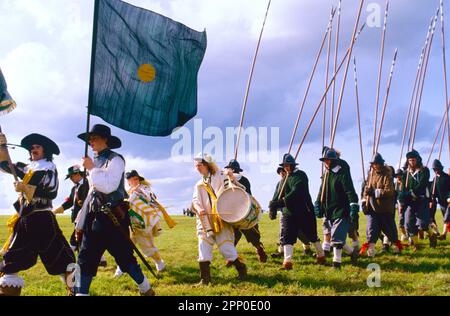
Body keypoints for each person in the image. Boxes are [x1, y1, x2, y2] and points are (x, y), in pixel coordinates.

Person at [74, 124, 154, 296]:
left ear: (105, 139)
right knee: (85, 259)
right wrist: (80, 223)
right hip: (93, 218)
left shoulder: (116, 159)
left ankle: (145, 288)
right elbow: (91, 194)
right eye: (90, 139)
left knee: (125, 258)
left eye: (94, 137)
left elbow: (109, 187)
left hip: (113, 219)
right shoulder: (94, 163)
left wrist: (91, 169)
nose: (91, 141)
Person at [0, 133, 75, 296]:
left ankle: (75, 292)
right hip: (26, 219)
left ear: (45, 150)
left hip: (43, 219)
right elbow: (6, 165)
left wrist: (26, 188)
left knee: (63, 260)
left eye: (37, 147)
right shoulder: (28, 168)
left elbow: (52, 192)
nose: (34, 149)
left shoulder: (49, 167)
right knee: (12, 259)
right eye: (32, 147)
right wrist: (2, 147)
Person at [191, 153, 247, 285]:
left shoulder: (221, 175)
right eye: (196, 166)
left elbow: (238, 188)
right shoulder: (199, 184)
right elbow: (195, 200)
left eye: (199, 165)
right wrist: (199, 209)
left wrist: (231, 176)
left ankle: (241, 268)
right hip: (205, 220)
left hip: (221, 219)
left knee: (226, 249)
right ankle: (205, 279)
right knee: (203, 248)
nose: (197, 168)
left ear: (207, 165)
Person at [269, 154, 326, 270]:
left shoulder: (301, 176)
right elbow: (277, 195)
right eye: (285, 165)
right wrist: (273, 208)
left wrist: (281, 202)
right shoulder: (284, 180)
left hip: (304, 212)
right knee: (287, 236)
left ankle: (321, 255)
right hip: (288, 213)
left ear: (293, 165)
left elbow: (296, 192)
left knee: (311, 235)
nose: (286, 167)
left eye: (288, 165)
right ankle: (287, 262)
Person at [114, 170, 168, 277]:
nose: (134, 181)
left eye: (136, 179)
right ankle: (120, 268)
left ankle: (159, 263)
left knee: (148, 248)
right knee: (125, 247)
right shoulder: (127, 192)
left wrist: (137, 193)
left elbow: (150, 197)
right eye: (132, 179)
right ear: (128, 181)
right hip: (130, 225)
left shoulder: (144, 189)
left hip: (143, 225)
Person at [52, 165, 108, 267]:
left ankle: (67, 262)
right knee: (88, 240)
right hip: (77, 218)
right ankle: (101, 260)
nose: (71, 179)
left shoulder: (89, 184)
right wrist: (58, 209)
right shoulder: (75, 188)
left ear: (77, 174)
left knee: (75, 241)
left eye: (71, 176)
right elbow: (69, 202)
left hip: (87, 216)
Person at [314, 148, 359, 269]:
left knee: (337, 238)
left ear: (334, 160)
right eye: (324, 160)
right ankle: (352, 253)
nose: (326, 162)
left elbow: (350, 189)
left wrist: (353, 204)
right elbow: (321, 191)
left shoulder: (341, 172)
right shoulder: (326, 174)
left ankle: (336, 263)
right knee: (335, 237)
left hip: (341, 209)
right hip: (329, 210)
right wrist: (318, 203)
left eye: (328, 160)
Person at [224, 159, 267, 263]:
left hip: (237, 211)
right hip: (242, 211)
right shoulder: (231, 180)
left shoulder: (229, 181)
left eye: (229, 169)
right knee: (247, 234)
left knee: (236, 234)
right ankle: (233, 257)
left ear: (232, 169)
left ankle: (231, 258)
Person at [359, 153, 402, 257]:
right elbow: (366, 190)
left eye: (377, 164)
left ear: (381, 164)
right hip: (372, 208)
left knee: (390, 230)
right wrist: (364, 202)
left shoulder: (387, 174)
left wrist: (374, 192)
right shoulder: (371, 174)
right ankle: (371, 252)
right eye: (374, 164)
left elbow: (389, 191)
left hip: (384, 209)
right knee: (371, 229)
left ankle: (397, 248)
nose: (375, 166)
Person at [399, 150, 437, 251]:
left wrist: (411, 193)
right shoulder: (406, 173)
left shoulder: (424, 170)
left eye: (413, 160)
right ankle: (416, 244)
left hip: (421, 200)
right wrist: (402, 197)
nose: (412, 162)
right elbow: (403, 188)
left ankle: (432, 235)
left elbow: (422, 185)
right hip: (410, 202)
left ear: (417, 160)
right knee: (408, 224)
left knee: (423, 224)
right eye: (410, 160)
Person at [430, 159, 450, 241]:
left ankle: (444, 235)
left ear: (441, 168)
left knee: (446, 218)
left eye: (437, 169)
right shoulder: (434, 180)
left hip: (449, 202)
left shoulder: (447, 177)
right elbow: (433, 192)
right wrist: (432, 199)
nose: (436, 170)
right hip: (441, 203)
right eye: (435, 169)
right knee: (447, 219)